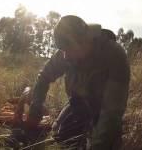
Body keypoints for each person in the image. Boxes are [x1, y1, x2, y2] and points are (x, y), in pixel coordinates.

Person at [25, 15, 130, 149]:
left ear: (85, 41)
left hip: (103, 110)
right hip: (78, 104)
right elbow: (44, 77)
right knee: (59, 137)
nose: (65, 56)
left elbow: (112, 112)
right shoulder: (67, 51)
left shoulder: (115, 55)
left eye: (68, 49)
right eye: (62, 50)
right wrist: (35, 110)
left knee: (106, 142)